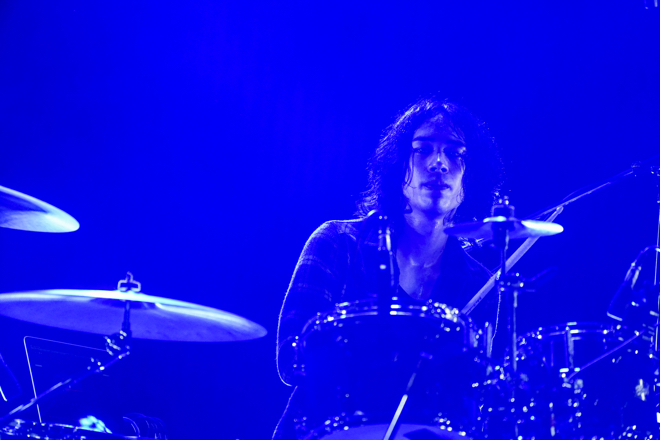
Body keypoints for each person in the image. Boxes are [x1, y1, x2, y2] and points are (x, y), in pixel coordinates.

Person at [274, 96, 504, 440]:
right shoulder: (337, 243)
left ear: (469, 180)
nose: (439, 163)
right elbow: (291, 358)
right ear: (398, 168)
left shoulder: (479, 285)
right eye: (422, 150)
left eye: (455, 154)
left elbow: (473, 397)